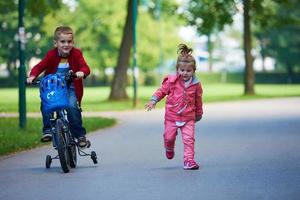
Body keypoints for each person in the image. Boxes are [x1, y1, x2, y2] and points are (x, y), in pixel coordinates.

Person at [27, 26, 90, 148]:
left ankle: (79, 135)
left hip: (70, 87)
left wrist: (82, 72)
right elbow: (40, 66)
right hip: (54, 87)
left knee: (72, 106)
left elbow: (85, 67)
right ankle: (48, 130)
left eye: (69, 41)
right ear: (55, 43)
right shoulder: (51, 55)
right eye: (62, 41)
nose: (66, 44)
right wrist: (32, 76)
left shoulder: (77, 54)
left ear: (73, 42)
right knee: (46, 104)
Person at [145, 44, 203, 170]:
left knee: (189, 139)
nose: (185, 73)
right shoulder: (171, 81)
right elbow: (161, 91)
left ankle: (189, 160)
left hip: (188, 117)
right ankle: (169, 147)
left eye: (188, 71)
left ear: (194, 71)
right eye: (182, 70)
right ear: (178, 69)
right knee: (169, 137)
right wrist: (153, 100)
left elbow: (198, 100)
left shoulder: (196, 85)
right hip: (172, 117)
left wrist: (198, 113)